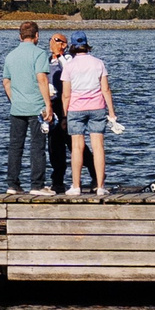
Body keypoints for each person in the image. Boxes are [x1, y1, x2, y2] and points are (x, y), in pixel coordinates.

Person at [60, 32, 116, 196]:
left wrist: (64, 116)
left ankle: (76, 186)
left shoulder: (69, 66)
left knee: (77, 147)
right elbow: (105, 89)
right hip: (97, 107)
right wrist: (111, 112)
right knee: (98, 147)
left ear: (72, 46)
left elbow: (66, 95)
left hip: (75, 109)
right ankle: (100, 186)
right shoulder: (98, 63)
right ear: (86, 44)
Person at [1, 21, 53, 195]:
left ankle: (12, 184)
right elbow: (42, 79)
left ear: (20, 36)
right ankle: (37, 185)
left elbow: (6, 82)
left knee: (15, 146)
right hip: (37, 106)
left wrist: (14, 99)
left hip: (17, 108)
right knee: (37, 146)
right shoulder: (39, 54)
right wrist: (48, 104)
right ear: (37, 35)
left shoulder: (11, 55)